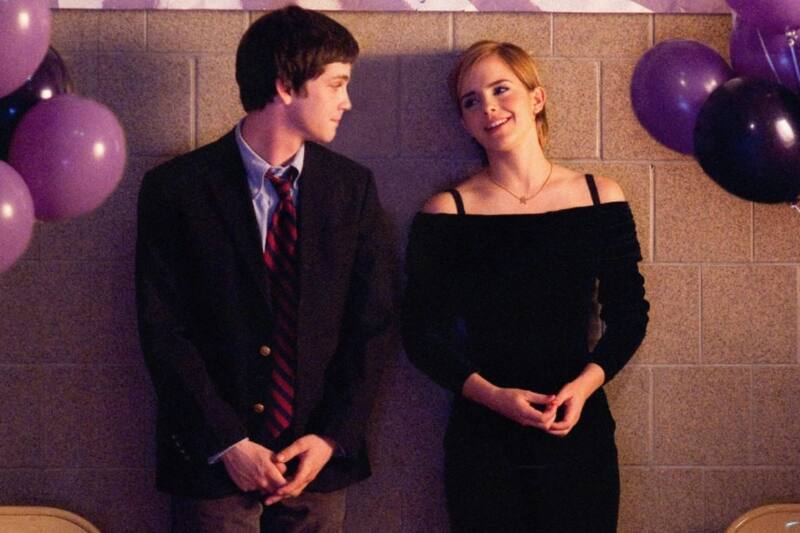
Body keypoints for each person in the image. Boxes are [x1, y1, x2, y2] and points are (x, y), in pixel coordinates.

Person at [135, 6, 398, 532]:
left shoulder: (351, 189)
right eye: (336, 83)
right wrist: (228, 443)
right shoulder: (177, 189)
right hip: (212, 467)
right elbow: (162, 329)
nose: (347, 101)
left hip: (315, 466)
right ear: (284, 85)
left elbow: (374, 324)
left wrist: (330, 436)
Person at [402, 40, 649, 533]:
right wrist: (494, 397)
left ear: (537, 98)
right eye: (471, 101)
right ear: (464, 121)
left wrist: (583, 387)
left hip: (576, 429)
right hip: (484, 439)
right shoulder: (448, 211)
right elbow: (421, 334)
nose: (489, 108)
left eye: (501, 90)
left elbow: (630, 314)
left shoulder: (599, 196)